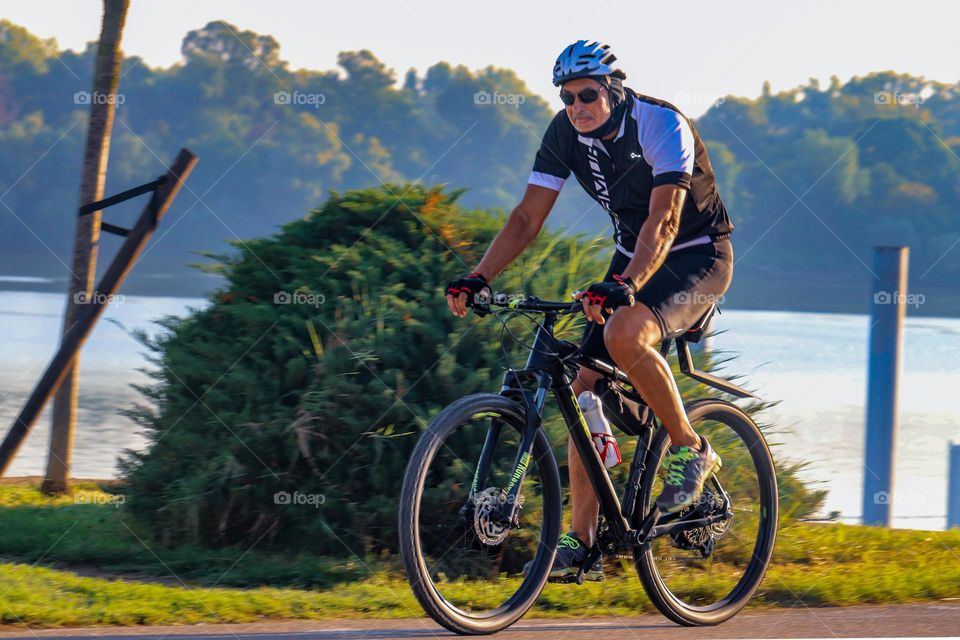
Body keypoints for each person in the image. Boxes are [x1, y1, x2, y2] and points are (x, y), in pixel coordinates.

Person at [445, 40, 734, 582]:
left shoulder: (659, 123)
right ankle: (582, 544)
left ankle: (691, 448)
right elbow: (527, 218)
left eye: (587, 95)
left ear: (614, 91)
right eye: (566, 97)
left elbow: (666, 222)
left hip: (698, 256)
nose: (576, 106)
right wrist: (478, 276)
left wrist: (624, 284)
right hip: (633, 260)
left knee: (626, 333)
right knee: (582, 391)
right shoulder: (563, 134)